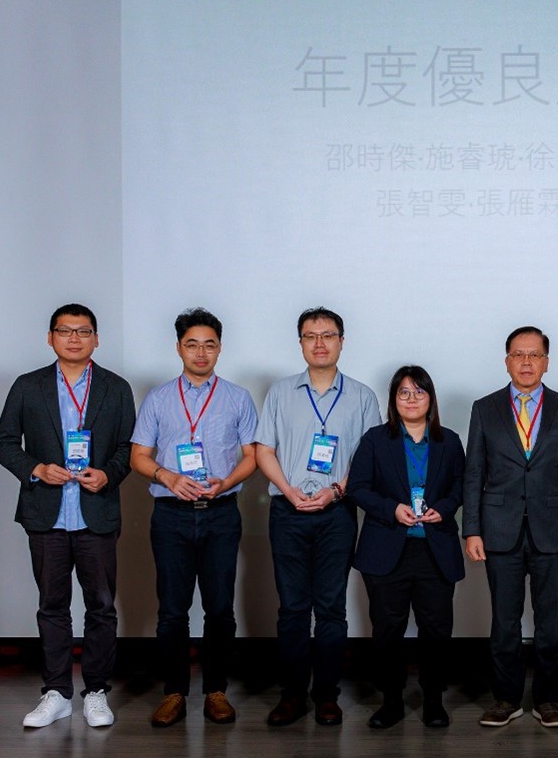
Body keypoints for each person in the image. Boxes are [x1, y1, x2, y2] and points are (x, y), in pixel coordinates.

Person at [0, 303, 136, 729]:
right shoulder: (28, 385)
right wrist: (36, 468)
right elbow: (3, 443)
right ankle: (55, 692)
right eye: (65, 330)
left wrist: (108, 474)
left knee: (101, 607)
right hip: (46, 515)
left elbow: (129, 447)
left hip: (96, 513)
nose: (74, 338)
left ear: (96, 339)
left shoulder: (116, 387)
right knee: (52, 606)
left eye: (83, 331)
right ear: (50, 338)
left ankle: (96, 692)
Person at [129, 308, 258, 727]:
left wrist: (226, 482)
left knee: (220, 609)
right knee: (172, 610)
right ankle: (174, 693)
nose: (201, 353)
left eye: (209, 345)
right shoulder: (158, 398)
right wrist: (167, 476)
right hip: (171, 515)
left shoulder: (238, 397)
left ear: (220, 348)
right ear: (178, 347)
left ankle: (216, 691)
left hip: (221, 514)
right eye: (192, 344)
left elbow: (252, 455)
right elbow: (138, 456)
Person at [255, 307, 381, 727]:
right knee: (292, 608)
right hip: (287, 511)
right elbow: (264, 449)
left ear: (342, 341)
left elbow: (369, 459)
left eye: (328, 335)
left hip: (337, 512)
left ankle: (327, 696)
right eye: (311, 336)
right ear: (300, 343)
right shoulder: (280, 392)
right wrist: (288, 489)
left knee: (330, 608)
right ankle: (291, 696)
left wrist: (337, 490)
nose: (320, 343)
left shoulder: (362, 396)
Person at [462, 326, 558, 729]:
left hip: (554, 530)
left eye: (534, 355)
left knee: (550, 622)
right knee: (504, 622)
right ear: (507, 362)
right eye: (519, 354)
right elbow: (474, 473)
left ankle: (548, 700)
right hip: (498, 530)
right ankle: (506, 698)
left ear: (546, 362)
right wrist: (471, 529)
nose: (527, 362)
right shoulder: (485, 408)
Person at [347, 365, 465, 730]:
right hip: (386, 549)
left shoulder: (449, 441)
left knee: (436, 630)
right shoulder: (375, 440)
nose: (411, 399)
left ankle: (433, 702)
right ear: (393, 399)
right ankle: (392, 702)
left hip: (434, 549)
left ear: (431, 399)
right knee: (387, 630)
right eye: (404, 392)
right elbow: (358, 487)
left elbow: (461, 487)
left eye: (419, 392)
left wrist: (444, 508)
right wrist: (391, 509)